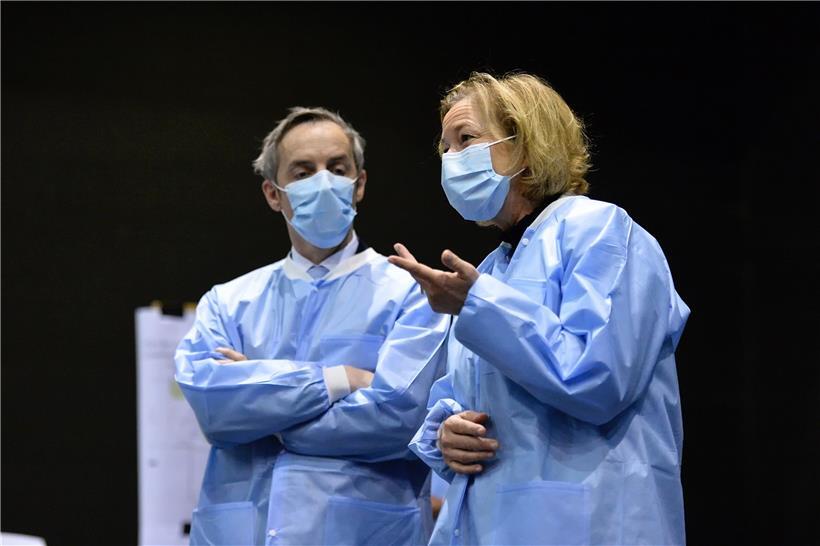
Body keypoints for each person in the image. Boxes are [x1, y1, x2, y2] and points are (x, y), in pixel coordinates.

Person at [389, 72, 690, 545]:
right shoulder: (493, 268)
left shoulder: (603, 232)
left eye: (465, 139)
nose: (450, 160)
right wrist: (446, 432)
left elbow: (597, 379)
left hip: (588, 521)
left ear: (526, 145)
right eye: (444, 148)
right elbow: (463, 396)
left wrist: (479, 306)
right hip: (494, 521)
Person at [175, 107, 449, 546]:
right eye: (303, 172)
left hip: (363, 531)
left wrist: (261, 407)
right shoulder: (228, 302)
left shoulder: (411, 296)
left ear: (359, 185)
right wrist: (340, 379)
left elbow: (397, 420)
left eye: (337, 169)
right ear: (273, 193)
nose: (323, 181)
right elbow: (213, 406)